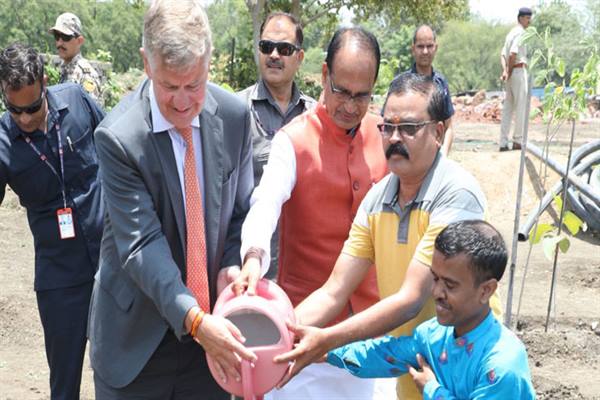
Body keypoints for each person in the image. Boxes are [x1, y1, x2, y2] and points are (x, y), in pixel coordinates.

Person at [271, 73, 503, 400]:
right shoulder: (377, 199)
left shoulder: (456, 195)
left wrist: (326, 340)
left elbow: (410, 300)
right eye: (388, 127)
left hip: (468, 373)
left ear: (438, 132)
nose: (395, 138)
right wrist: (277, 335)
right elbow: (334, 290)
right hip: (411, 365)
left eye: (408, 128)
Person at [87, 1, 257, 398]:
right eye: (169, 87)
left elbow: (240, 211)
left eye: (194, 85)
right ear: (147, 64)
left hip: (211, 340)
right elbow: (141, 245)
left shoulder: (233, 117)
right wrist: (195, 320)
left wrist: (232, 264)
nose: (183, 101)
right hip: (137, 344)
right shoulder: (119, 137)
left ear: (208, 64)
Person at [236, 27, 389, 399]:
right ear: (324, 75)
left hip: (370, 333)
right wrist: (253, 255)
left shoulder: (386, 136)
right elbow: (266, 201)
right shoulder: (293, 140)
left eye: (362, 95)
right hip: (302, 336)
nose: (351, 106)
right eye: (341, 91)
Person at [327, 220, 536, 400]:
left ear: (486, 290)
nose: (436, 292)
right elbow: (385, 355)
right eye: (435, 278)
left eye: (450, 285)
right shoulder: (434, 336)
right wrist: (324, 349)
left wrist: (433, 391)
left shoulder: (501, 365)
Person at [0, 43, 105, 400]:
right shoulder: (2, 143)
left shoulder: (76, 99)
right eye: (15, 110)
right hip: (61, 278)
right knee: (65, 383)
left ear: (44, 83)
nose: (25, 119)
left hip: (112, 263)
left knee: (125, 371)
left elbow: (117, 145)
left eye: (31, 107)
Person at [237, 11, 316, 278]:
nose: (274, 55)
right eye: (266, 47)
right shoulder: (234, 113)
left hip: (305, 271)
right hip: (249, 269)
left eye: (284, 49)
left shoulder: (316, 118)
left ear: (299, 57)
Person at [400, 25, 455, 156]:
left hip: (435, 155)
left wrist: (443, 157)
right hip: (409, 155)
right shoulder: (402, 84)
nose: (425, 51)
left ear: (436, 48)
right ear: (413, 49)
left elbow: (449, 128)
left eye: (429, 46)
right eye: (420, 46)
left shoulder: (441, 84)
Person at [499, 7, 533, 152]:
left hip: (512, 72)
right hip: (518, 70)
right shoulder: (520, 33)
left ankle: (503, 142)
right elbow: (512, 54)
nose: (529, 20)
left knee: (508, 108)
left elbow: (502, 55)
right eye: (526, 17)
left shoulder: (511, 33)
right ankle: (518, 141)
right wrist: (510, 71)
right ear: (520, 18)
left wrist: (505, 71)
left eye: (529, 17)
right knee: (521, 107)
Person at [48, 12, 102, 101]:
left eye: (66, 37)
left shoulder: (86, 75)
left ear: (79, 41)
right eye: (57, 36)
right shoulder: (64, 69)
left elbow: (91, 112)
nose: (59, 43)